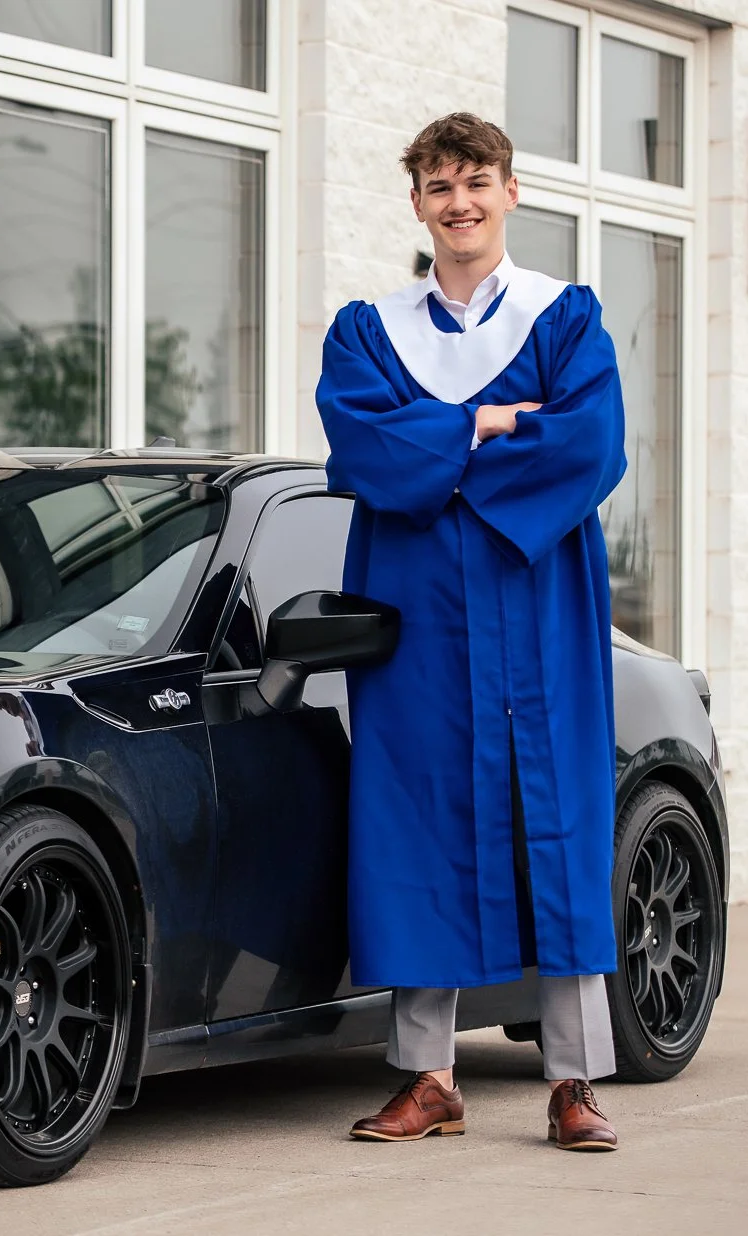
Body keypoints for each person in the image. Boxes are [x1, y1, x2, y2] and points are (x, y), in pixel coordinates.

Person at [316, 113, 627, 1151]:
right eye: (440, 186)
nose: (460, 202)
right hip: (417, 616)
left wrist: (438, 452)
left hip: (536, 596)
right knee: (418, 816)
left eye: (477, 182)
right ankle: (428, 1078)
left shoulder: (566, 319)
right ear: (417, 202)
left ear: (511, 192)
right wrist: (486, 424)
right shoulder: (369, 330)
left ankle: (575, 1081)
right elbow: (364, 449)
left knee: (559, 815)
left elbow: (587, 445)